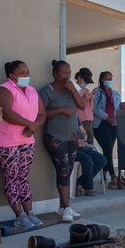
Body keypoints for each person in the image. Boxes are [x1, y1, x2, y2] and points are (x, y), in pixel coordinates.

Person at [0, 60, 46, 228]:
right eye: (21, 73)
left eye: (27, 72)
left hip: (26, 140)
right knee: (11, 178)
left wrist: (34, 127)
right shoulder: (3, 90)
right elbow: (6, 112)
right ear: (11, 75)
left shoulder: (32, 91)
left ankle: (30, 213)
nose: (26, 75)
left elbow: (42, 113)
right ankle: (19, 216)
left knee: (23, 178)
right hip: (5, 142)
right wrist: (29, 124)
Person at [39, 60, 86, 222]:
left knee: (68, 170)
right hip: (55, 136)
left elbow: (81, 105)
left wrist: (73, 90)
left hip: (72, 136)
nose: (67, 76)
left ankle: (62, 207)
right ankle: (66, 208)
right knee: (63, 171)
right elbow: (41, 114)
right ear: (55, 74)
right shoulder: (47, 91)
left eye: (69, 72)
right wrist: (59, 110)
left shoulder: (71, 89)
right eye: (64, 72)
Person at [92, 71, 125, 190]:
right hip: (101, 124)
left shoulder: (115, 94)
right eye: (106, 78)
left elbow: (119, 107)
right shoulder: (97, 92)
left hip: (114, 124)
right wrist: (107, 118)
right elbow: (94, 108)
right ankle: (113, 175)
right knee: (107, 147)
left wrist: (116, 119)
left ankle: (104, 172)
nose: (109, 80)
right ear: (101, 79)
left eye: (111, 78)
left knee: (109, 149)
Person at [75, 118, 107, 196]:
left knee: (102, 160)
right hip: (73, 149)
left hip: (83, 147)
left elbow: (84, 133)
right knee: (88, 160)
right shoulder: (64, 120)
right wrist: (75, 142)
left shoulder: (76, 119)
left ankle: (80, 182)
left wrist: (84, 140)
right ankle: (88, 187)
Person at [75, 67, 96, 145]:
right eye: (85, 81)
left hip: (89, 121)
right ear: (79, 77)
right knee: (82, 144)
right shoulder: (74, 90)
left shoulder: (86, 91)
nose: (86, 84)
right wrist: (83, 98)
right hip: (80, 122)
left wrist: (92, 99)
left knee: (91, 145)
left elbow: (90, 109)